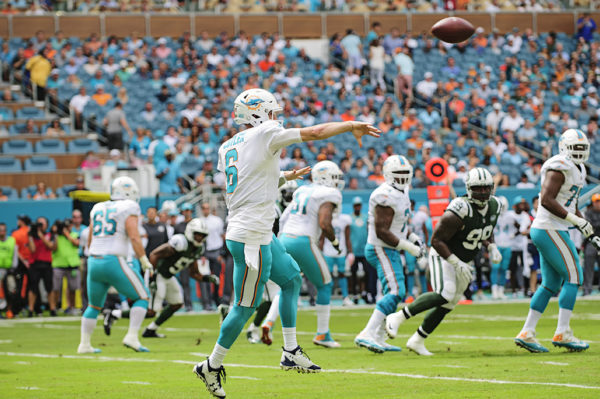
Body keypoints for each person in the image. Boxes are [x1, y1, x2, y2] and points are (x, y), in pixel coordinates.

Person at [193, 88, 379, 398]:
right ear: (259, 112)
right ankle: (211, 366)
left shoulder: (228, 146)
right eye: (272, 111)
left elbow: (250, 180)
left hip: (259, 231)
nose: (276, 116)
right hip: (250, 235)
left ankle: (290, 350)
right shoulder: (266, 131)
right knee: (244, 308)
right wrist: (350, 124)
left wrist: (286, 176)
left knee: (292, 280)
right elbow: (316, 132)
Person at [386, 168, 502, 355]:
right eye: (477, 188)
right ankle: (398, 317)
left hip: (465, 260)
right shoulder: (459, 208)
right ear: (468, 188)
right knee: (445, 293)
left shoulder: (495, 205)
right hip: (444, 255)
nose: (482, 192)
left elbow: (485, 229)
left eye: (485, 188)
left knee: (450, 303)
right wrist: (455, 262)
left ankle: (417, 340)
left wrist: (491, 246)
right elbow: (436, 241)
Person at [515, 129, 599, 353]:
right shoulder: (559, 166)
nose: (579, 152)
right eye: (576, 148)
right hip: (550, 228)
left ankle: (527, 332)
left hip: (551, 228)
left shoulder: (578, 168)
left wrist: (589, 232)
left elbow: (571, 205)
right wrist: (574, 220)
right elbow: (546, 200)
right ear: (564, 147)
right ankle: (563, 331)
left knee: (550, 284)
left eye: (582, 148)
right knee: (574, 276)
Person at [354, 155, 426, 353]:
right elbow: (382, 232)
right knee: (396, 292)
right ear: (387, 174)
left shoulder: (402, 191)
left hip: (390, 247)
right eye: (398, 173)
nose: (402, 177)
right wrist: (408, 247)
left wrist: (412, 239)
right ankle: (366, 333)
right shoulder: (384, 194)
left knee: (392, 292)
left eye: (405, 173)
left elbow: (398, 226)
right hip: (381, 247)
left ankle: (378, 337)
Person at [78, 177, 151, 354]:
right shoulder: (129, 207)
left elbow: (89, 240)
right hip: (113, 259)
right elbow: (134, 236)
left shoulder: (97, 207)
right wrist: (143, 258)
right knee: (143, 297)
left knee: (94, 306)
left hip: (94, 260)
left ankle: (84, 344)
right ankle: (132, 337)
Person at [280, 160, 344, 348]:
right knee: (325, 285)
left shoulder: (302, 190)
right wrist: (334, 241)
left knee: (288, 286)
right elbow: (325, 223)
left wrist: (279, 240)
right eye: (335, 177)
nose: (338, 181)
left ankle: (274, 330)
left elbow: (284, 217)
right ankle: (323, 334)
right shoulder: (329, 193)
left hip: (285, 237)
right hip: (303, 240)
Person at [322, 211, 354, 306]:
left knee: (342, 274)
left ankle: (345, 297)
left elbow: (347, 237)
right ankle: (327, 297)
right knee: (328, 276)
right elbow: (322, 236)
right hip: (328, 251)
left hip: (341, 251)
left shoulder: (344, 219)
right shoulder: (326, 218)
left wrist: (350, 251)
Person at [50, 218, 81, 315]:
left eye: (68, 226)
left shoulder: (74, 235)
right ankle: (54, 308)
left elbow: (76, 244)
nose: (67, 228)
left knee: (73, 288)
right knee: (55, 288)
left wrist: (67, 234)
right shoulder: (57, 236)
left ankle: (72, 308)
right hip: (59, 265)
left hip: (72, 265)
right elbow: (53, 248)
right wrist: (55, 235)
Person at [27, 217, 56, 316]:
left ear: (46, 225)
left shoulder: (49, 234)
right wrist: (31, 236)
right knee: (33, 288)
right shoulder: (32, 236)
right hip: (35, 264)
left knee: (49, 287)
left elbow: (51, 246)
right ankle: (30, 310)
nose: (40, 226)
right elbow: (32, 250)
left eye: (42, 224)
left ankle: (52, 309)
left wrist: (41, 235)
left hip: (46, 264)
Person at [348, 196, 376, 304]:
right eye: (356, 205)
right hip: (354, 251)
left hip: (364, 250)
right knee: (353, 274)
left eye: (359, 205)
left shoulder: (365, 218)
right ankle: (355, 294)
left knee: (368, 273)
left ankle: (367, 293)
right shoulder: (350, 219)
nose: (357, 207)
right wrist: (349, 250)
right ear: (353, 206)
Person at [198, 202, 225, 312]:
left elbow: (222, 236)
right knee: (205, 278)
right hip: (205, 253)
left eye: (207, 208)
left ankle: (216, 299)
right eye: (204, 208)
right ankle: (207, 302)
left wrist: (221, 253)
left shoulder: (217, 220)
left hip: (216, 251)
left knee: (217, 277)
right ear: (201, 209)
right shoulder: (198, 221)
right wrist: (201, 255)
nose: (206, 210)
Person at [490, 196, 512, 299]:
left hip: (507, 245)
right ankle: (494, 290)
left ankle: (501, 290)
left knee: (504, 268)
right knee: (495, 268)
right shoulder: (493, 215)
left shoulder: (510, 216)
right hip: (497, 245)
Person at [583, 194, 600, 296]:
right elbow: (589, 227)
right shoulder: (588, 213)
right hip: (591, 242)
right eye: (596, 201)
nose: (598, 203)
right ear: (593, 203)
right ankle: (587, 289)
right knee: (588, 267)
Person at [0, 222, 18, 318]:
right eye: (0, 230)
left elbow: (15, 254)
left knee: (12, 290)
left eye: (3, 230)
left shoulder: (11, 241)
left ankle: (9, 310)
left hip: (9, 270)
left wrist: (13, 267)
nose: (2, 232)